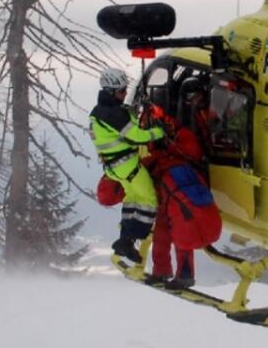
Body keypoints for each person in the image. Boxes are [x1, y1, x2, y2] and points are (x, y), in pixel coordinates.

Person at [90, 67, 166, 262]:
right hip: (126, 165)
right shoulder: (112, 113)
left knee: (132, 200)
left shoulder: (100, 112)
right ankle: (133, 239)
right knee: (149, 200)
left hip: (114, 168)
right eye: (122, 91)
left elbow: (125, 125)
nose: (124, 95)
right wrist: (159, 132)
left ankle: (125, 241)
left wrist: (134, 111)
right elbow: (136, 136)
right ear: (112, 92)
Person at [144, 107, 222, 289]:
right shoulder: (160, 148)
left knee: (182, 226)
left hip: (176, 191)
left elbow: (190, 150)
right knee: (162, 232)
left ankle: (185, 274)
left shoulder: (180, 141)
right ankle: (161, 270)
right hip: (167, 195)